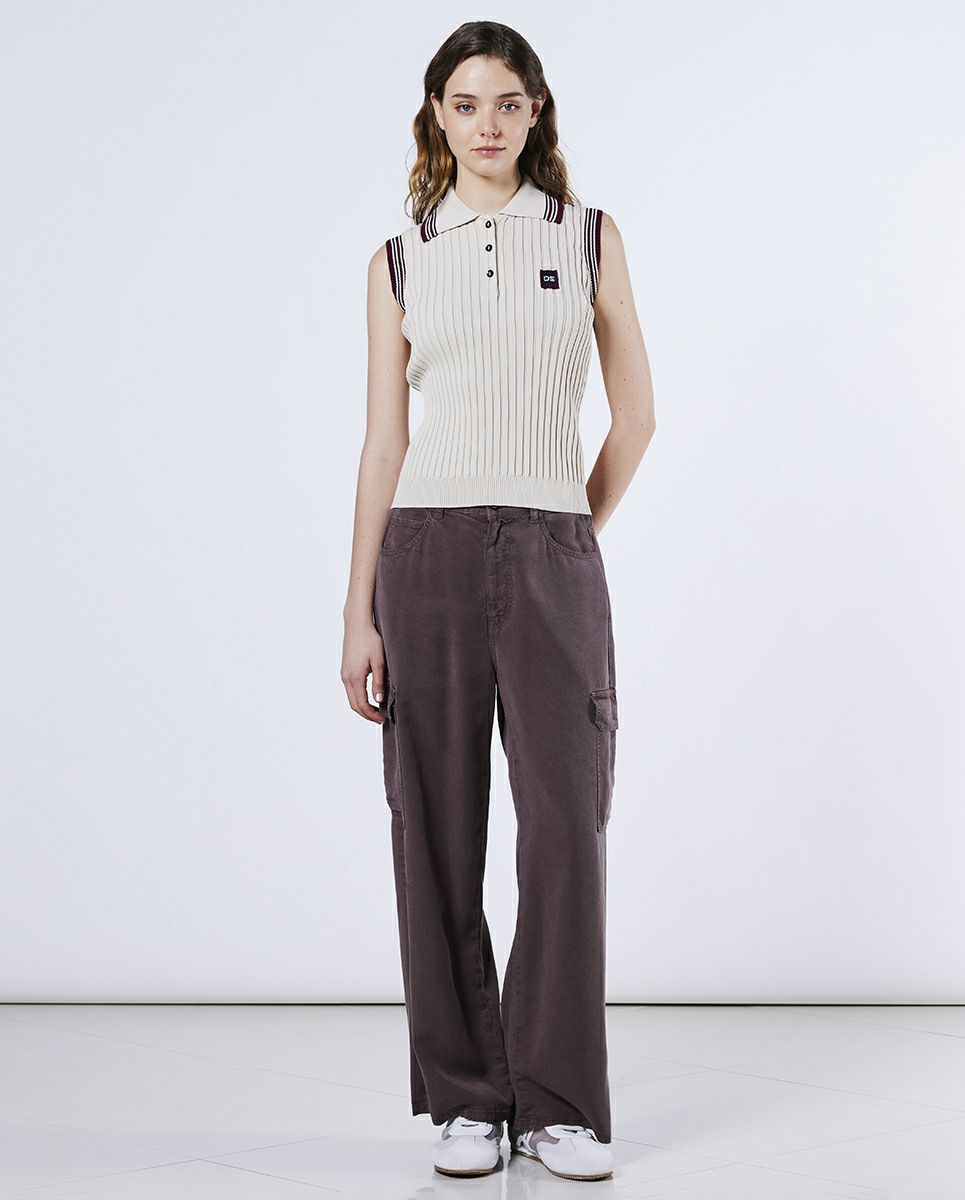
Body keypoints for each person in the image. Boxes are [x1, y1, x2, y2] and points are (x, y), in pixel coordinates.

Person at [341, 19, 655, 1183]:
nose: (487, 123)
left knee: (566, 827)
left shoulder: (586, 236)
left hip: (551, 552)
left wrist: (564, 533)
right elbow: (384, 445)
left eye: (507, 102)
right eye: (465, 102)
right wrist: (357, 610)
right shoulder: (396, 260)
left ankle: (559, 1102)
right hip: (420, 553)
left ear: (535, 113)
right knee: (435, 826)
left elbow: (638, 417)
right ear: (437, 113)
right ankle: (468, 1101)